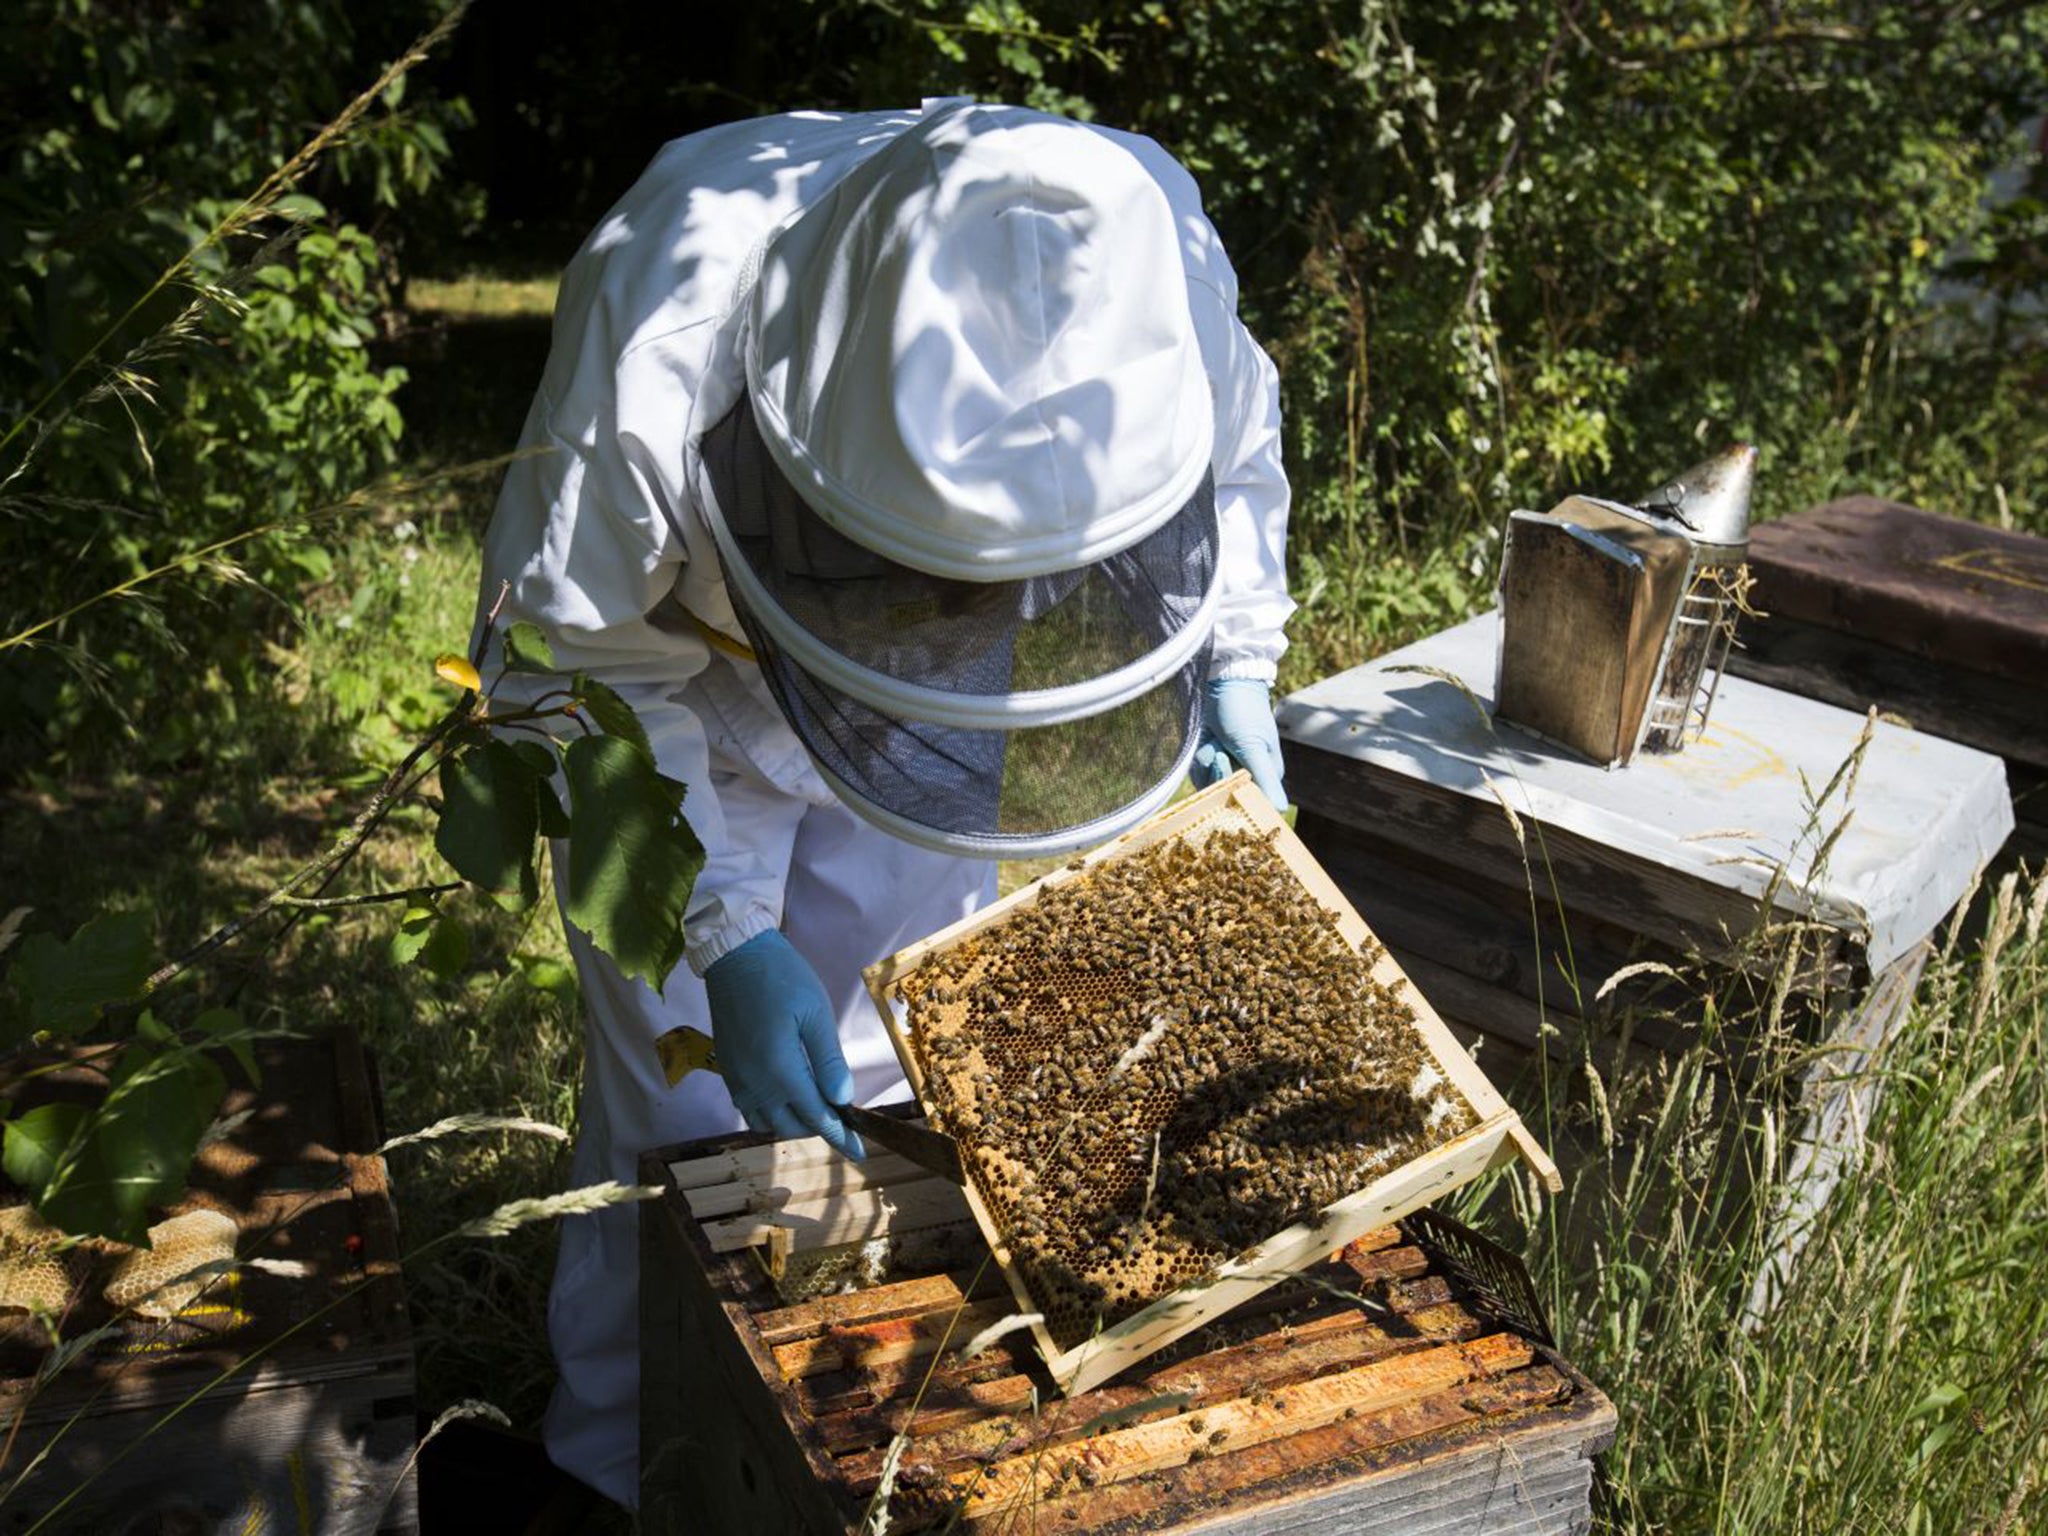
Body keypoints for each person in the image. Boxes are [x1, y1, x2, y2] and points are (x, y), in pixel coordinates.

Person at [473, 97, 1294, 1507]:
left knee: (887, 1094)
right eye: (925, 574)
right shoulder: (664, 320)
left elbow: (1235, 467)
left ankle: (848, 1462)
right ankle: (617, 1472)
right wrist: (725, 938)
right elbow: (572, 671)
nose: (948, 606)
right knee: (685, 1138)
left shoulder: (1141, 247)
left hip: (943, 737)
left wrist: (1238, 664)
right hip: (694, 718)